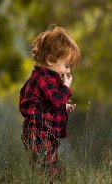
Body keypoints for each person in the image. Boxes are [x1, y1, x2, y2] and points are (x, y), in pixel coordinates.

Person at [19, 25, 80, 180]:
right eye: (66, 65)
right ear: (50, 59)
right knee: (48, 171)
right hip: (38, 132)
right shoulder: (42, 79)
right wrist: (66, 88)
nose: (67, 71)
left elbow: (49, 105)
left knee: (52, 170)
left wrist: (64, 107)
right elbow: (54, 100)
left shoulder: (49, 80)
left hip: (46, 133)